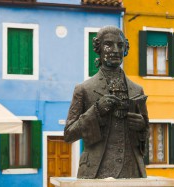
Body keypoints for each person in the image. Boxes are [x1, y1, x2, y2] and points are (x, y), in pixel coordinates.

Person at [64, 26, 149, 179]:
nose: (115, 50)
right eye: (109, 44)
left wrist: (142, 127)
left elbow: (145, 140)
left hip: (132, 172)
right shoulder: (84, 89)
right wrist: (96, 111)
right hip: (96, 172)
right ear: (99, 48)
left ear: (125, 49)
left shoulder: (137, 90)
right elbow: (69, 134)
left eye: (120, 45)